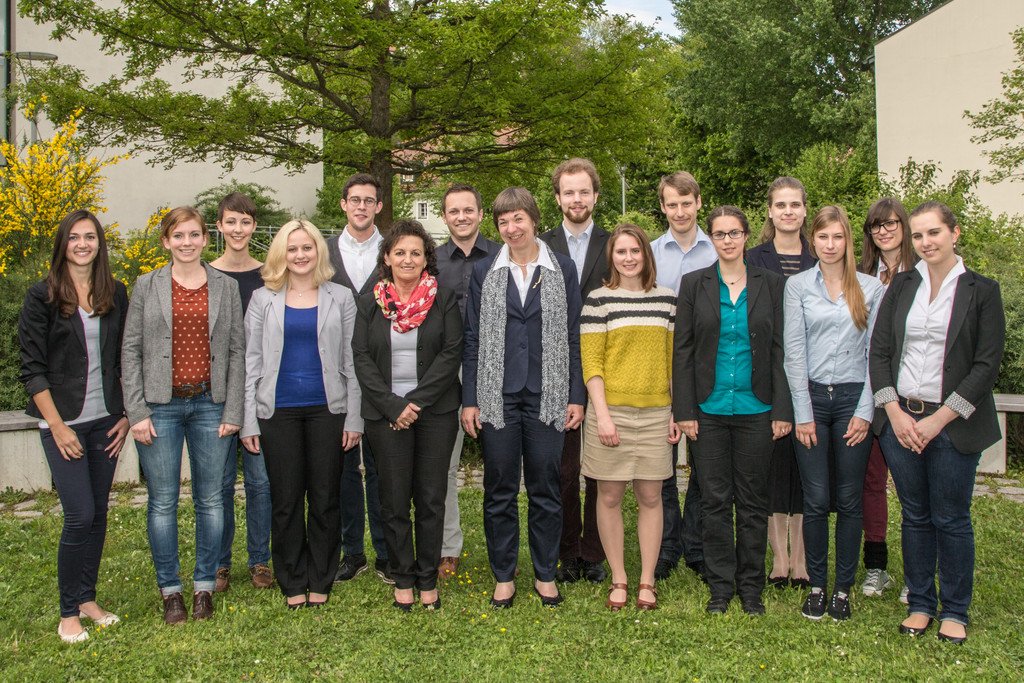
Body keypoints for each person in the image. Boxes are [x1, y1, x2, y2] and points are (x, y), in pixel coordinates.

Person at [870, 201, 1004, 644]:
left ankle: (956, 609)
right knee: (915, 515)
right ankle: (921, 603)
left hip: (952, 424)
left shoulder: (982, 290)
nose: (926, 242)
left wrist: (939, 419)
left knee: (951, 517)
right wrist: (893, 412)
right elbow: (880, 351)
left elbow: (986, 365)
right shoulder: (902, 284)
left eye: (934, 233)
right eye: (919, 235)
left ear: (954, 233)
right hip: (901, 421)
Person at [463, 187, 585, 609]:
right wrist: (471, 399)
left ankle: (546, 573)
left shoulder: (561, 268)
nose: (512, 228)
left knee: (545, 486)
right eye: (503, 221)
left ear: (534, 219)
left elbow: (573, 335)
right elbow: (473, 338)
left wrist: (575, 395)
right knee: (498, 487)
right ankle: (504, 575)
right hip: (496, 395)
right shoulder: (484, 271)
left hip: (547, 393)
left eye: (518, 218)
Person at [122, 206, 245, 624]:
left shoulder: (226, 287)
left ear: (206, 239)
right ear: (166, 241)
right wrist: (136, 411)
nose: (187, 242)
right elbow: (131, 350)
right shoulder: (147, 285)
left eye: (194, 235)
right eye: (178, 236)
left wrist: (233, 409)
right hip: (160, 407)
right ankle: (170, 590)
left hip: (211, 405)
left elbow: (236, 351)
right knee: (162, 502)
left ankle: (204, 586)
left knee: (211, 499)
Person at [673, 205, 792, 616]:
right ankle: (720, 588)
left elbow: (781, 350)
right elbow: (683, 351)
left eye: (734, 233)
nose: (727, 240)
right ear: (712, 238)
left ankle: (751, 588)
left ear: (746, 236)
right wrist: (684, 410)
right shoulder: (694, 284)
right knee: (715, 501)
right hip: (708, 408)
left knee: (753, 501)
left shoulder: (771, 284)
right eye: (720, 234)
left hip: (757, 407)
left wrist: (782, 410)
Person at [18, 210, 130, 643]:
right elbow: (32, 370)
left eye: (90, 237)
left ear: (100, 243)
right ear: (62, 244)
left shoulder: (114, 291)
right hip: (63, 423)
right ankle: (68, 613)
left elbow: (123, 358)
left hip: (106, 422)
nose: (83, 244)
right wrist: (57, 426)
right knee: (79, 514)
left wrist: (125, 414)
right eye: (74, 237)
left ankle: (87, 599)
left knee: (98, 513)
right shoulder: (41, 296)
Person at [240, 220, 362, 608]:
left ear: (318, 251)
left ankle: (321, 577)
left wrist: (354, 418)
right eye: (292, 248)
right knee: (286, 499)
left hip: (329, 410)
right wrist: (248, 420)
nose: (300, 255)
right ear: (281, 254)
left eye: (307, 247)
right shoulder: (262, 299)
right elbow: (251, 362)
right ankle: (292, 579)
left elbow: (353, 361)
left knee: (325, 498)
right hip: (277, 412)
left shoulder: (341, 297)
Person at [352, 219, 463, 610]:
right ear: (387, 257)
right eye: (399, 252)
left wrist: (414, 402)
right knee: (394, 500)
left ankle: (427, 578)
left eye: (416, 252)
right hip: (385, 415)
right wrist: (393, 406)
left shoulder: (443, 298)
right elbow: (361, 357)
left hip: (436, 412)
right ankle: (403, 577)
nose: (407, 259)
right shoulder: (370, 302)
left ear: (426, 258)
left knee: (431, 498)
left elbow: (452, 352)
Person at [784, 206, 884, 621]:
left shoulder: (871, 288)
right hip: (810, 398)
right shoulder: (797, 286)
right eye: (823, 237)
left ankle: (843, 589)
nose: (830, 245)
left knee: (848, 498)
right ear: (813, 241)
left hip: (852, 399)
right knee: (816, 498)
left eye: (837, 237)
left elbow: (876, 354)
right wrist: (802, 413)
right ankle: (817, 585)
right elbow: (794, 351)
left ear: (848, 241)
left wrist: (865, 411)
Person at [580, 224, 679, 611]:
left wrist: (675, 411)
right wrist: (603, 415)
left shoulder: (666, 300)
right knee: (609, 495)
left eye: (635, 251)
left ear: (646, 255)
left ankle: (647, 580)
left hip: (656, 412)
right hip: (611, 412)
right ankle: (619, 577)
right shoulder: (598, 301)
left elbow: (672, 362)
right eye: (621, 252)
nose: (628, 258)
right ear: (612, 257)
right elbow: (592, 364)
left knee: (651, 496)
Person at [539, 158, 609, 584]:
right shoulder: (541, 246)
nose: (577, 199)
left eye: (584, 191)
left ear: (595, 196)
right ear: (558, 197)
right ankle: (567, 551)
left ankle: (595, 552)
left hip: (606, 368)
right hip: (556, 369)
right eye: (569, 192)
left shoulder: (615, 244)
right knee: (562, 469)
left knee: (600, 467)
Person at [746, 176, 815, 590]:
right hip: (766, 373)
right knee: (772, 468)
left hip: (811, 374)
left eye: (795, 205)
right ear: (770, 212)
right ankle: (778, 557)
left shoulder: (821, 256)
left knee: (805, 467)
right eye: (781, 205)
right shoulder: (753, 259)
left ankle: (802, 559)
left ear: (805, 210)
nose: (788, 212)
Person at [649, 171, 718, 582]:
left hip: (707, 365)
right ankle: (666, 546)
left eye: (686, 203)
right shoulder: (651, 253)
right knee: (661, 464)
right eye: (672, 204)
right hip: (660, 364)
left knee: (704, 463)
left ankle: (696, 544)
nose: (680, 211)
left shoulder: (717, 249)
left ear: (698, 202)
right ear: (663, 207)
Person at [325, 173, 391, 584]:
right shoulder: (324, 252)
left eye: (369, 200)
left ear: (378, 206)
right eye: (355, 200)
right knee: (344, 469)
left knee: (382, 468)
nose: (361, 207)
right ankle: (352, 552)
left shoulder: (394, 250)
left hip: (383, 374)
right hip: (335, 373)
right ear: (344, 204)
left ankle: (385, 552)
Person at [208, 192, 274, 592]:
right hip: (216, 393)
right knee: (218, 485)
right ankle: (219, 563)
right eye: (231, 221)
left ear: (254, 226)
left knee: (260, 482)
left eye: (245, 222)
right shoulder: (205, 275)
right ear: (219, 226)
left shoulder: (269, 275)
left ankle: (259, 559)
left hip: (260, 390)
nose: (238, 229)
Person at [434, 183, 499, 580]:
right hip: (446, 371)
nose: (461, 217)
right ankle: (448, 547)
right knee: (444, 464)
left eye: (468, 210)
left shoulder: (501, 256)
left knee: (501, 466)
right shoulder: (431, 261)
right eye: (454, 211)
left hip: (496, 370)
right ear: (445, 217)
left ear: (480, 214)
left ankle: (502, 550)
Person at [857, 197, 917, 601]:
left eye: (890, 223)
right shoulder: (863, 275)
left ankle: (917, 574)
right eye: (876, 226)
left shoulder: (923, 274)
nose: (883, 231)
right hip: (867, 391)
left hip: (910, 393)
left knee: (914, 489)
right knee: (871, 481)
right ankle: (876, 567)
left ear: (904, 226)